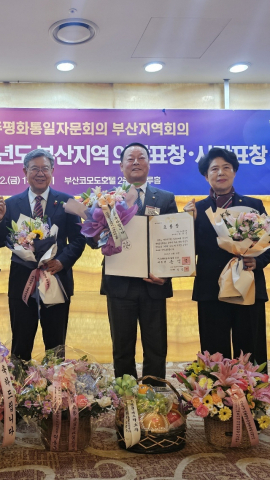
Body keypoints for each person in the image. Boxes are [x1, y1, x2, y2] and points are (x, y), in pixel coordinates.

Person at [184, 147, 270, 371]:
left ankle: (254, 393)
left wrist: (257, 262)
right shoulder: (197, 209)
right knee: (215, 354)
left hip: (248, 287)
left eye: (226, 167)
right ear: (206, 176)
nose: (220, 173)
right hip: (211, 289)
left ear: (234, 172)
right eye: (214, 169)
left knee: (251, 350)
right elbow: (186, 251)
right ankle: (217, 393)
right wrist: (187, 222)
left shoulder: (254, 205)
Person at [0, 148, 86, 361]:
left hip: (56, 279)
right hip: (22, 284)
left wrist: (62, 261)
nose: (40, 173)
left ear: (53, 171)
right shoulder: (10, 204)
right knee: (20, 344)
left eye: (45, 168)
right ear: (25, 171)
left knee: (55, 346)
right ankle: (20, 381)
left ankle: (56, 381)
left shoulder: (67, 201)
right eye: (35, 169)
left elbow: (79, 239)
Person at [97, 142, 178, 383]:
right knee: (122, 345)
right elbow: (93, 241)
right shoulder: (107, 200)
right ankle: (126, 395)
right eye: (129, 158)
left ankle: (155, 394)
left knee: (156, 344)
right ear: (121, 166)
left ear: (149, 164)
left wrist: (166, 275)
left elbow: (174, 241)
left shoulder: (165, 198)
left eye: (141, 157)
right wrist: (101, 233)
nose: (135, 162)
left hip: (154, 282)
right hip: (119, 283)